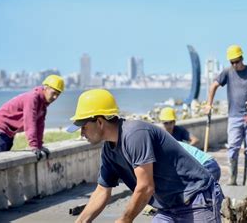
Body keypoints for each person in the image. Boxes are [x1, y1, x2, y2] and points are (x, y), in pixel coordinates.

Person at [67, 89, 223, 222]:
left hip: (197, 199)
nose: (81, 133)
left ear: (100, 122)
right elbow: (102, 191)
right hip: (168, 208)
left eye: (83, 126)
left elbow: (146, 187)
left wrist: (125, 219)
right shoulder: (109, 151)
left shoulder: (135, 134)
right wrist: (81, 221)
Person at [204, 45, 247, 186]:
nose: (235, 64)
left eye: (236, 61)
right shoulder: (227, 72)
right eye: (232, 62)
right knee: (233, 147)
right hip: (234, 117)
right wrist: (209, 104)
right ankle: (232, 178)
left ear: (242, 58)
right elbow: (213, 86)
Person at [0, 74, 64, 159]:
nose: (55, 97)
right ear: (46, 88)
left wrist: (39, 145)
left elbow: (39, 125)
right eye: (53, 93)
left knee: (4, 159)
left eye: (58, 94)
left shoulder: (43, 104)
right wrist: (34, 146)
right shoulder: (32, 98)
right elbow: (30, 122)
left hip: (9, 131)